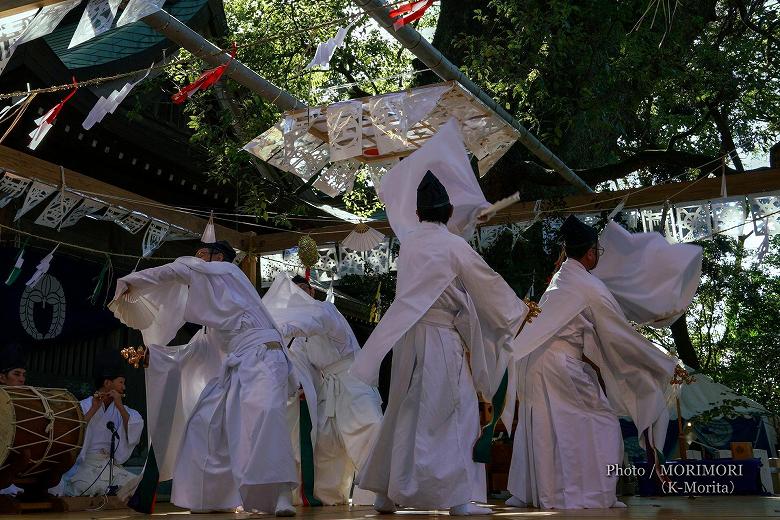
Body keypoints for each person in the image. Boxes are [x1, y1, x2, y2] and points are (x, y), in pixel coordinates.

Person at [352, 170, 528, 516]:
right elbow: (485, 282)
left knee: (404, 409)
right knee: (453, 409)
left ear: (418, 213)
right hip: (439, 339)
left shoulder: (409, 243)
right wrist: (518, 312)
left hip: (408, 339)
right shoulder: (452, 245)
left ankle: (385, 492)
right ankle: (456, 498)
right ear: (448, 213)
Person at [110, 238, 298, 515]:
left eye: (201, 255)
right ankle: (211, 498)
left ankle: (281, 494)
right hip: (237, 366)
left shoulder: (230, 273)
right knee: (204, 422)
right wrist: (155, 356)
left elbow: (175, 270)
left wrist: (132, 281)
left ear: (218, 259)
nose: (194, 260)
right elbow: (195, 351)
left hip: (264, 357)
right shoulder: (214, 321)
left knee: (266, 415)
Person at [504, 215, 678, 509]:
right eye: (598, 250)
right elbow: (620, 335)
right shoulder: (588, 286)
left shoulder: (564, 277)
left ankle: (543, 493)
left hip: (536, 363)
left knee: (546, 430)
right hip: (559, 364)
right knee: (602, 423)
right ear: (590, 253)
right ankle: (588, 495)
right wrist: (663, 363)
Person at [263, 272, 383, 506]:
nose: (298, 296)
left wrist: (278, 329)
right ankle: (332, 496)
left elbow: (310, 323)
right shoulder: (299, 334)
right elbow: (300, 362)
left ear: (311, 292)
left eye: (302, 290)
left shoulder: (325, 310)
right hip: (327, 385)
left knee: (368, 429)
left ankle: (379, 493)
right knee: (328, 443)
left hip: (352, 379)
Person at [60, 351, 144, 497]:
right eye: (121, 382)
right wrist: (93, 409)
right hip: (86, 465)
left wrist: (120, 406)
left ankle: (111, 491)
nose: (124, 388)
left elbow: (134, 428)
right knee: (84, 486)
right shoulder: (83, 406)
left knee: (137, 485)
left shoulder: (123, 410)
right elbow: (72, 432)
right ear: (107, 383)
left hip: (109, 465)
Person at [0, 343, 28, 497]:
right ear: (2, 378)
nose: (22, 379)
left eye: (24, 375)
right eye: (16, 374)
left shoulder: (28, 403)